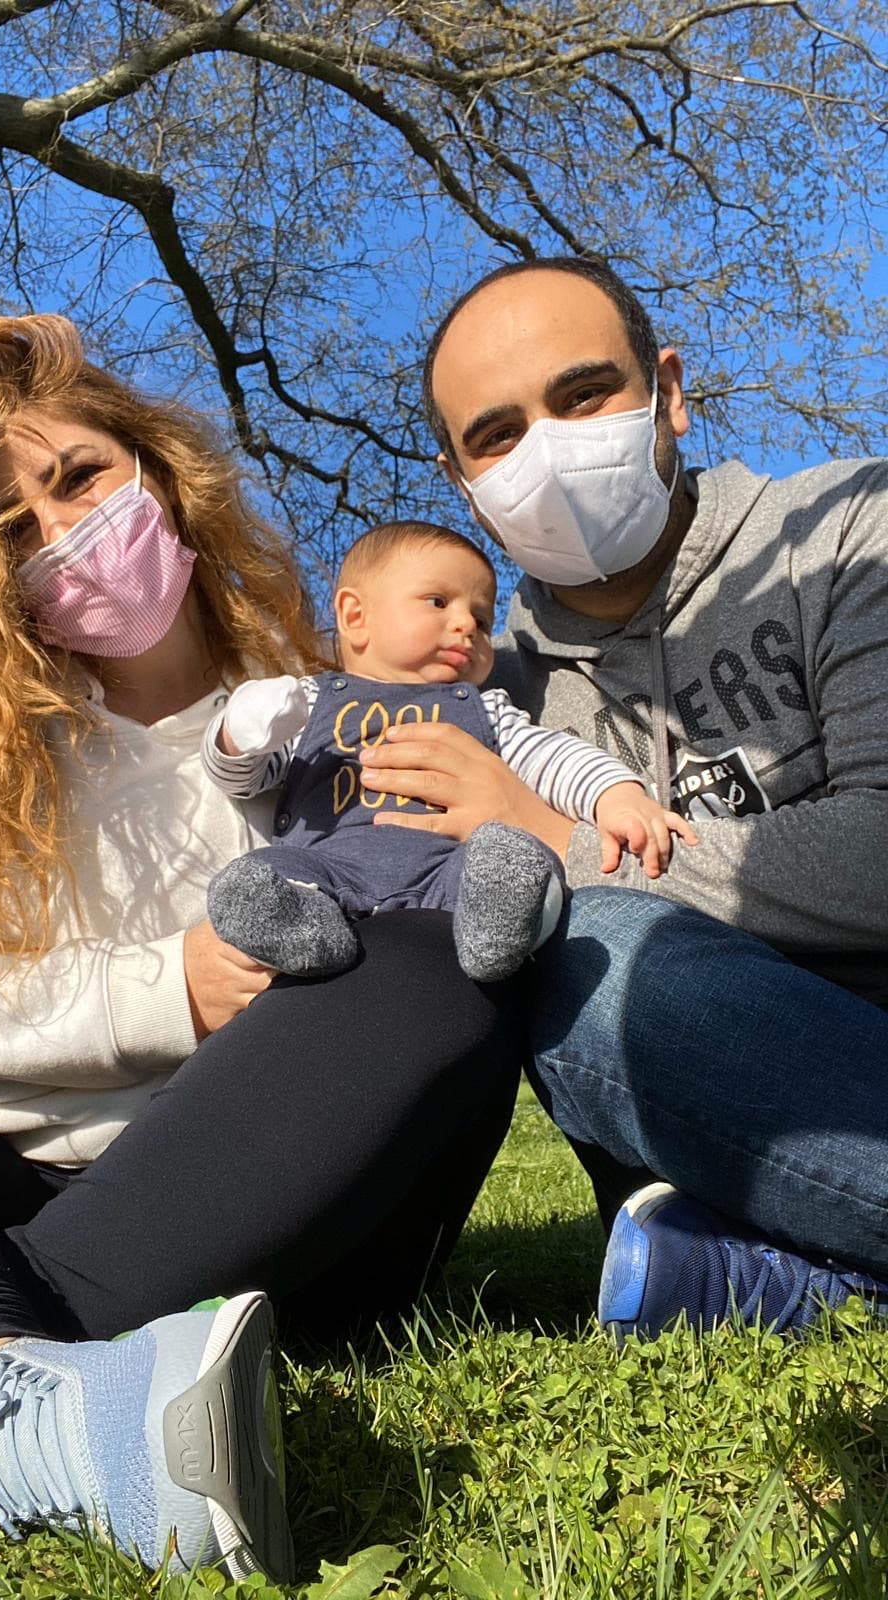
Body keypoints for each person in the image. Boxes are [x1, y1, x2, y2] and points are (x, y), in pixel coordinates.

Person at [0, 315, 526, 1571]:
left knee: (434, 962)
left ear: (157, 470)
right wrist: (167, 992)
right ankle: (19, 1402)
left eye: (79, 475)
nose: (63, 529)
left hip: (286, 1196)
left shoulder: (323, 709)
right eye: (9, 526)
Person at [381, 253, 888, 1341]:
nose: (549, 451)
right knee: (577, 969)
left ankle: (797, 1273)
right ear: (459, 479)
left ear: (668, 390)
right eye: (497, 435)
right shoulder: (486, 692)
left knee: (588, 930)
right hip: (675, 1093)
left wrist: (554, 835)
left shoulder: (848, 528)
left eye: (582, 395)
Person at [203, 520, 693, 982]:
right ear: (355, 616)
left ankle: (498, 933)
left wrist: (616, 794)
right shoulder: (310, 702)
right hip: (330, 871)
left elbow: (551, 757)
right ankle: (298, 930)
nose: (467, 626)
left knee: (511, 864)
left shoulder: (484, 709)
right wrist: (241, 733)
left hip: (449, 873)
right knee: (270, 876)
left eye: (481, 620)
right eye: (438, 601)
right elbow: (246, 778)